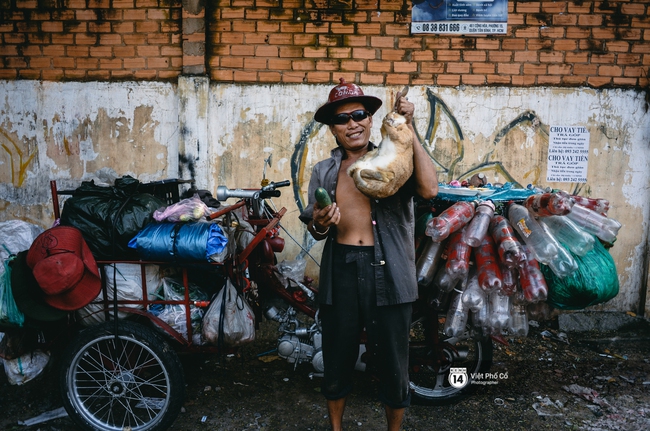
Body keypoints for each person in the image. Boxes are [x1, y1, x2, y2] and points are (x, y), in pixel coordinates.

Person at [299, 78, 438, 431]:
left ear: (370, 119)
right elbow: (317, 229)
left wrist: (411, 128)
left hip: (389, 273)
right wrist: (320, 222)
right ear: (333, 129)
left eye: (359, 115)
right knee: (337, 359)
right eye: (342, 119)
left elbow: (430, 188)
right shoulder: (324, 171)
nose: (352, 124)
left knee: (393, 364)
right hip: (341, 271)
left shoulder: (395, 159)